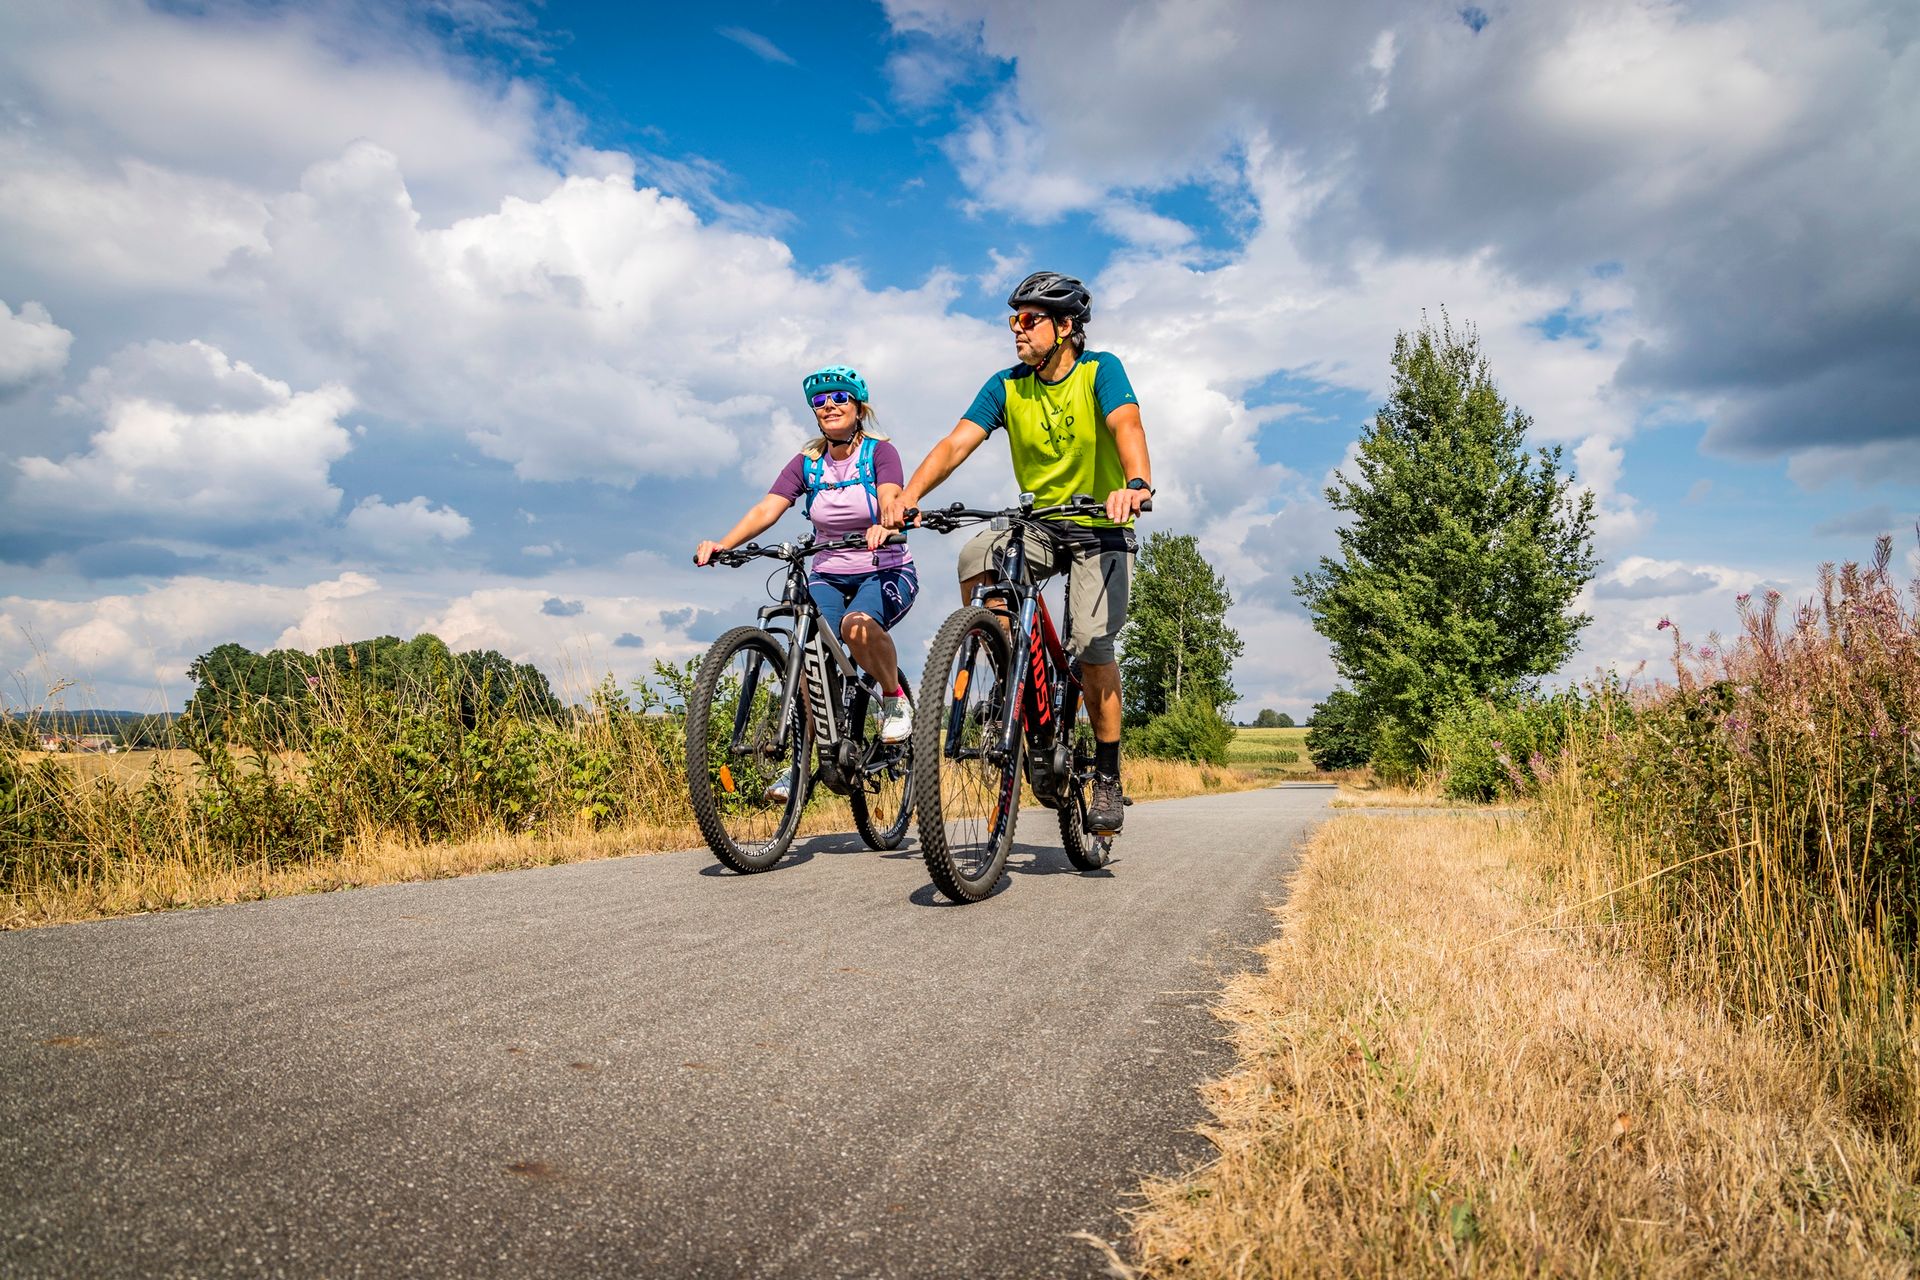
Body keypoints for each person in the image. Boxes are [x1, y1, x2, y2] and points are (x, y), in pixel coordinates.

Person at [881, 271, 1153, 834]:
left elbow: (1125, 422)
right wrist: (908, 496)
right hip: (1038, 523)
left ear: (1066, 327)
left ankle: (1105, 773)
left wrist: (1137, 483)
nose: (1017, 330)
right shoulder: (1006, 386)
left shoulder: (1100, 370)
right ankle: (1007, 669)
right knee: (976, 555)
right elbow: (957, 441)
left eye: (1029, 320)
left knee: (1091, 645)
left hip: (1099, 522)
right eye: (1014, 320)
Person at [696, 365, 917, 773]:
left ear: (858, 408)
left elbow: (891, 494)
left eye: (839, 398)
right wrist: (724, 543)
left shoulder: (879, 453)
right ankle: (798, 767)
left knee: (857, 626)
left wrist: (887, 521)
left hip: (884, 569)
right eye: (820, 401)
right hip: (827, 574)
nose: (829, 405)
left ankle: (892, 698)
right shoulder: (808, 463)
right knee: (806, 656)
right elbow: (768, 508)